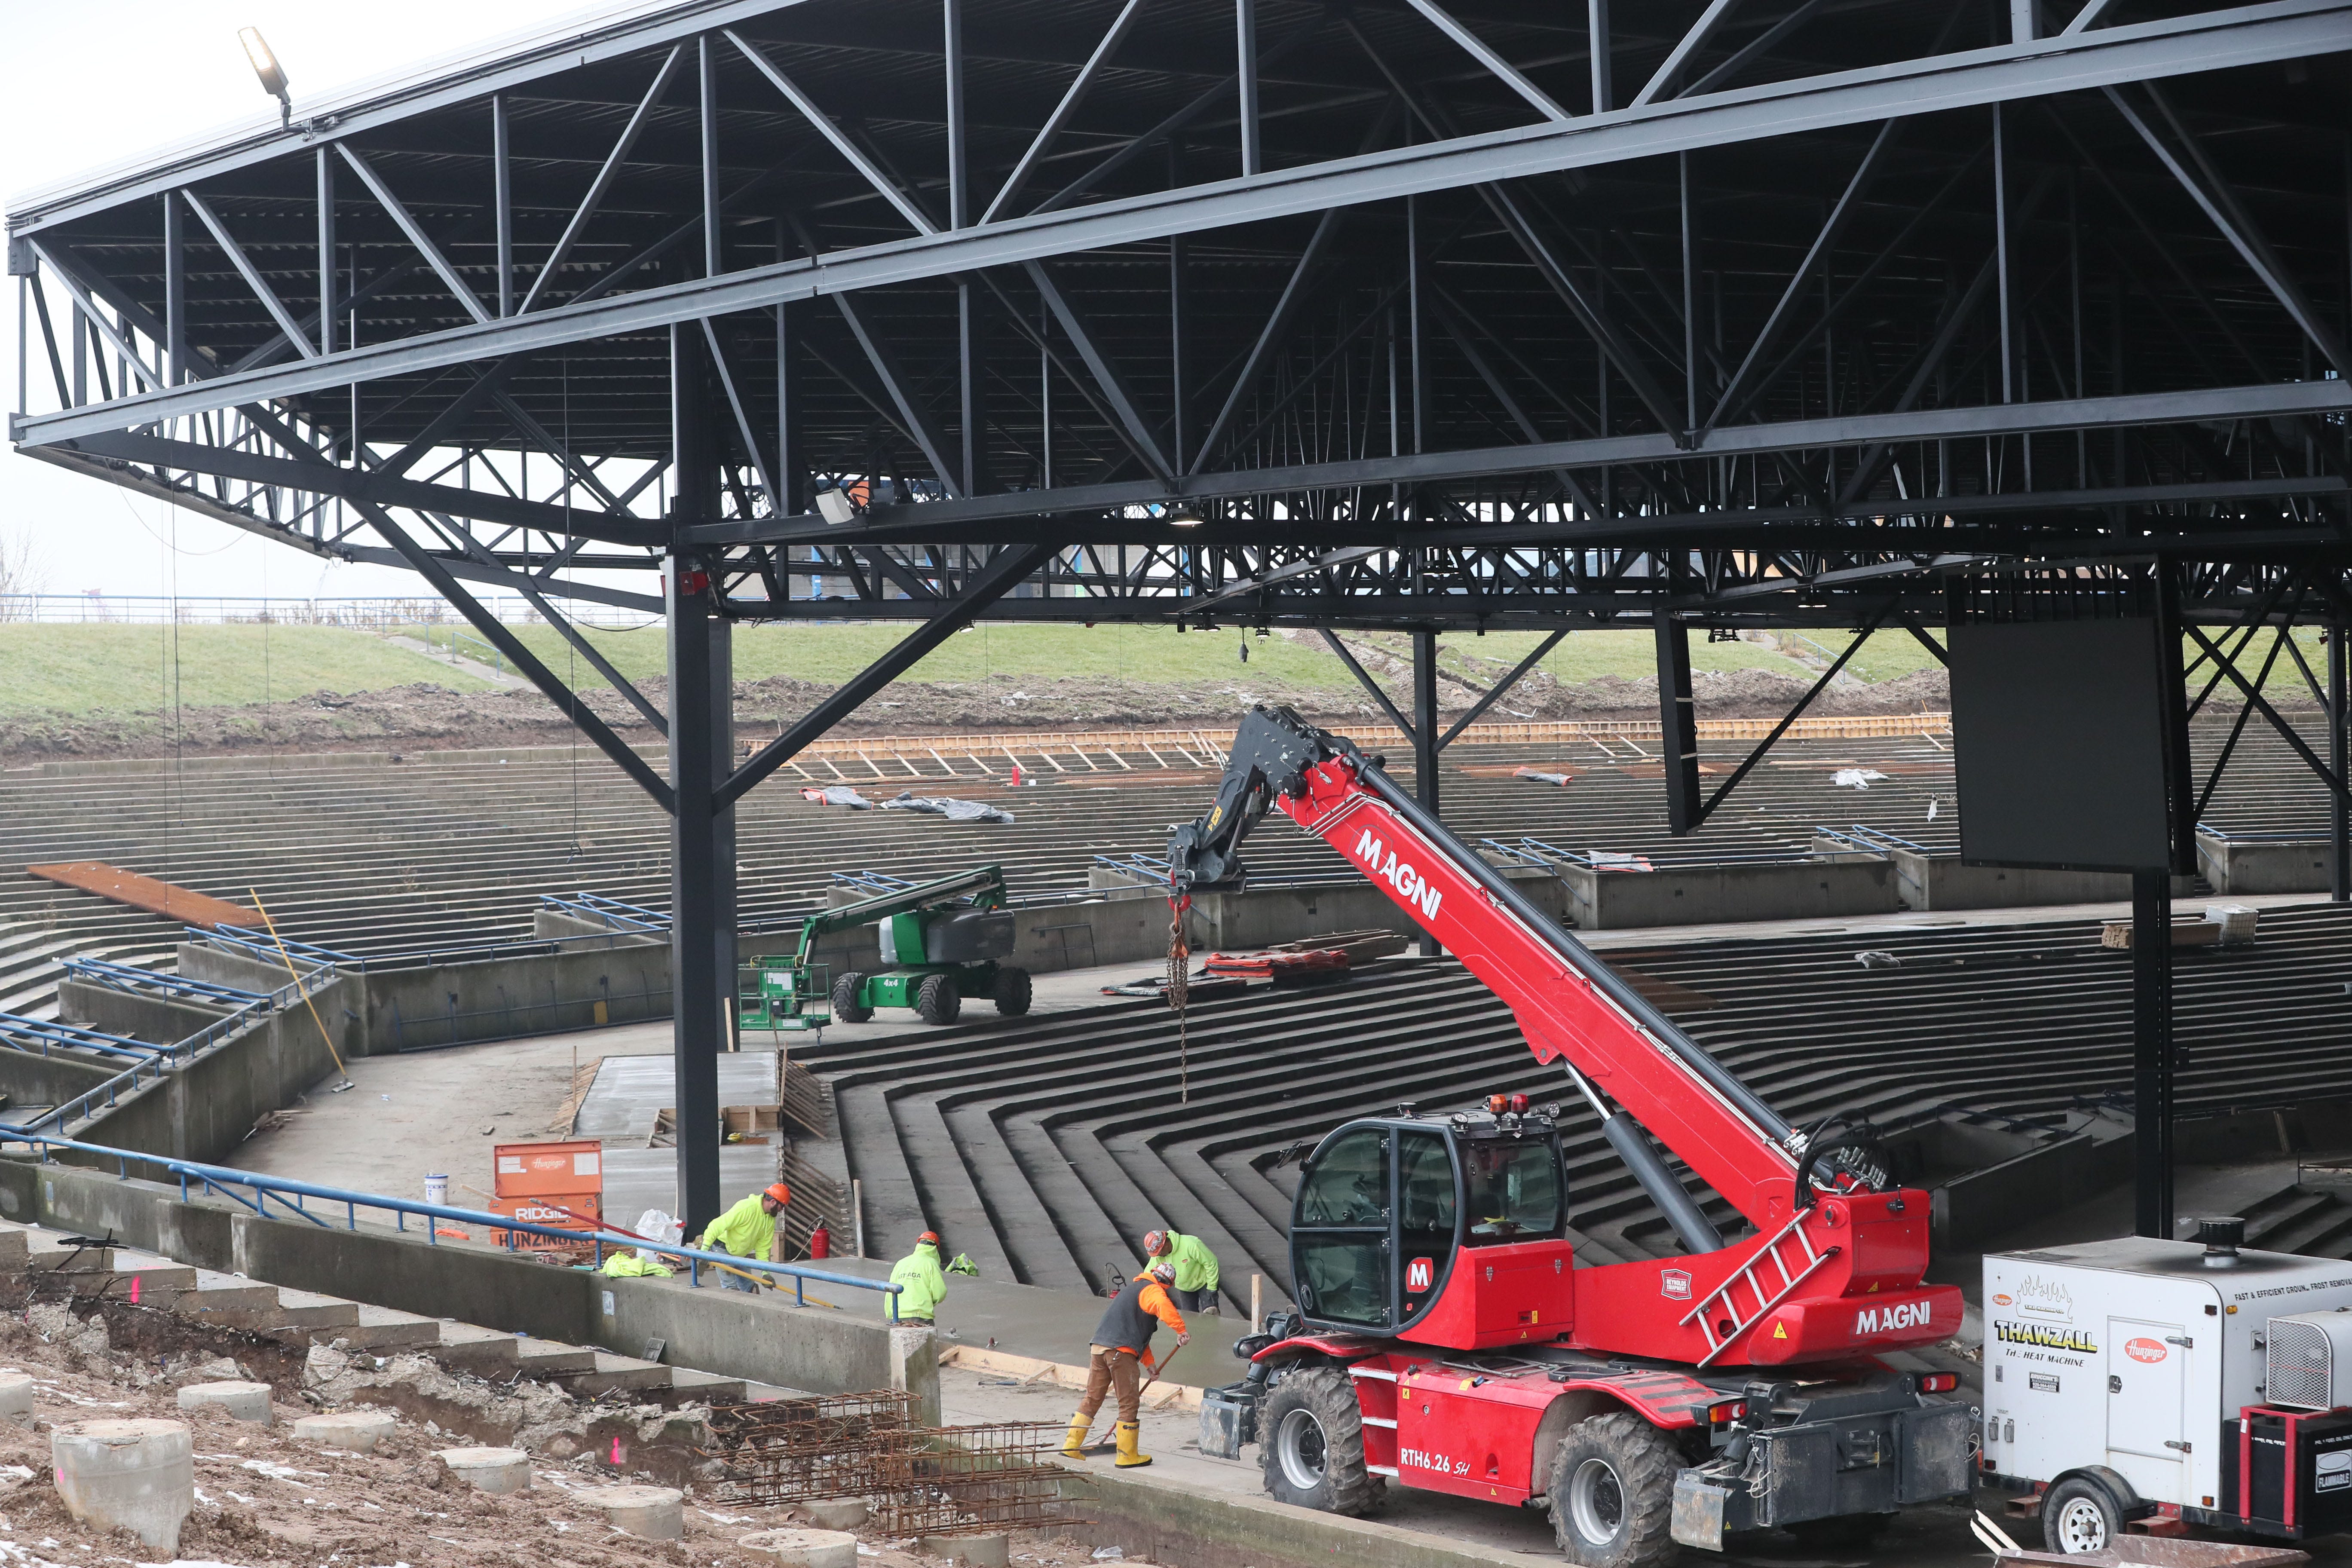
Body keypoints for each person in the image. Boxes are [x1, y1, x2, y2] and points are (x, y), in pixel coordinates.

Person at [1061, 1259, 1186, 1468]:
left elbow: (1137, 1335)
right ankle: (1127, 1455)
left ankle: (1071, 1446)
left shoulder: (1133, 1291)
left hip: (1100, 1348)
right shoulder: (1152, 1290)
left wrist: (1150, 1365)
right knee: (1129, 1402)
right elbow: (1162, 1306)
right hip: (1120, 1352)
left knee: (1092, 1397)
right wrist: (1181, 1329)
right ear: (1168, 1284)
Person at [697, 1182, 790, 1293]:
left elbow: (763, 1248)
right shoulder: (747, 1208)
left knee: (751, 1290)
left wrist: (765, 1273)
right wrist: (704, 1252)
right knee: (732, 1291)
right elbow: (716, 1226)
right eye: (782, 1206)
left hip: (741, 1254)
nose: (782, 1210)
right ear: (773, 1202)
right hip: (722, 1249)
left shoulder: (770, 1219)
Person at [1142, 1228, 1220, 1315]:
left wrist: (1212, 1288)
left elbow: (1211, 1262)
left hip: (1205, 1283)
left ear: (1166, 1245)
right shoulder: (1158, 1257)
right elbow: (1148, 1275)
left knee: (1211, 1314)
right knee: (1190, 1318)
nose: (1158, 1256)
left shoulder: (1191, 1244)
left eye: (1159, 1253)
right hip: (1185, 1288)